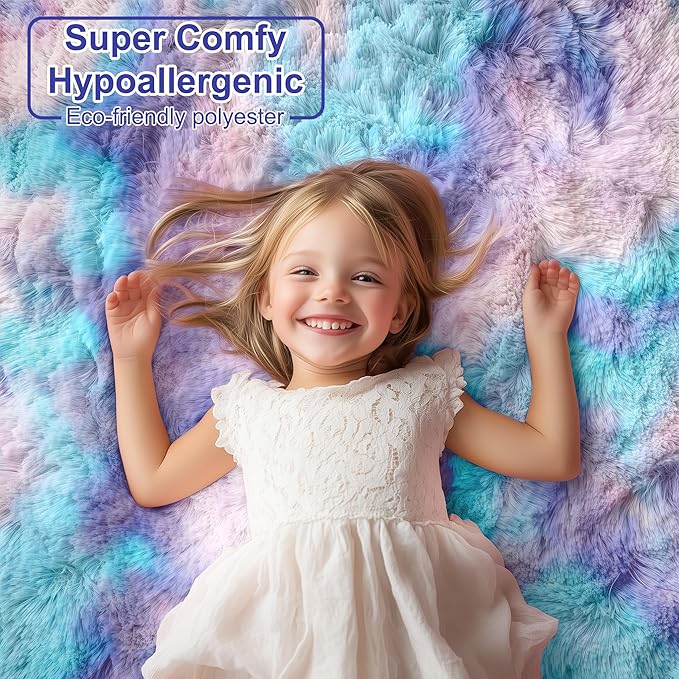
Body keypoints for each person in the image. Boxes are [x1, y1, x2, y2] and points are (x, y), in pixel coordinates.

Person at [105, 159, 580, 678]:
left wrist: (546, 337)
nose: (332, 292)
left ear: (399, 312)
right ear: (266, 298)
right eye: (305, 271)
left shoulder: (422, 394)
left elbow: (551, 455)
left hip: (414, 642)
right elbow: (154, 479)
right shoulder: (247, 411)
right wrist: (131, 358)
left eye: (365, 277)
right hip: (286, 642)